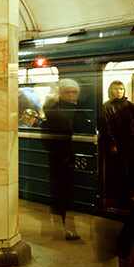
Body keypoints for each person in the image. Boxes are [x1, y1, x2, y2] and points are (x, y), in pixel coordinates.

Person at [100, 80, 134, 267]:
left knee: (132, 174)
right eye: (116, 89)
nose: (119, 92)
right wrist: (112, 143)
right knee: (122, 175)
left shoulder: (130, 106)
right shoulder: (108, 106)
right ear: (112, 91)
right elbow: (106, 128)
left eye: (121, 89)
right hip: (120, 147)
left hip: (131, 147)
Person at [44, 78, 83, 240]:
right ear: (59, 94)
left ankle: (63, 228)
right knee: (64, 196)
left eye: (74, 92)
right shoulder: (55, 112)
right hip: (62, 161)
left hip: (67, 159)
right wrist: (66, 156)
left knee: (66, 196)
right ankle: (65, 229)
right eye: (67, 92)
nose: (71, 95)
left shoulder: (80, 111)